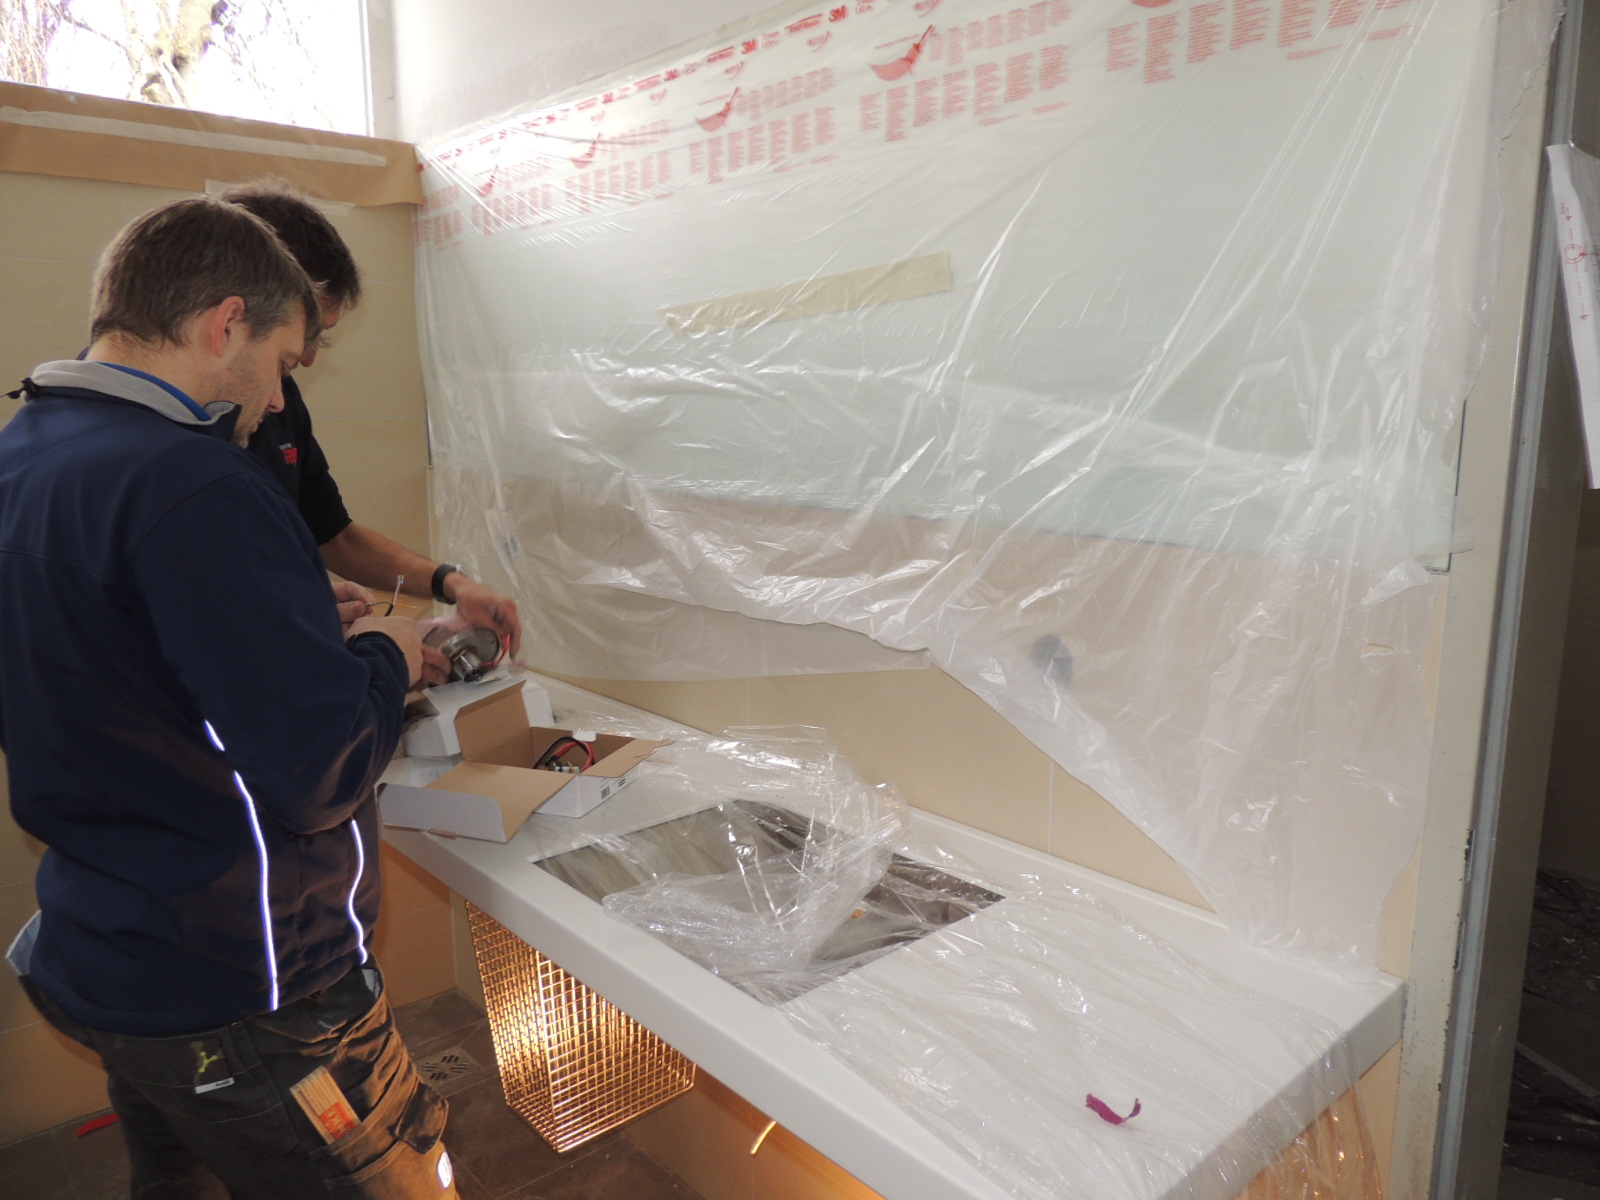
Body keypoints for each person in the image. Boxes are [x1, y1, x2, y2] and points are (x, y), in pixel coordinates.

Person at [0, 196, 457, 1198]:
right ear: (225, 324)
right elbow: (321, 772)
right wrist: (387, 653)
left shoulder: (26, 454)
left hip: (114, 953)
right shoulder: (197, 483)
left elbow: (106, 661)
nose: (279, 400)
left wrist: (280, 618)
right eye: (284, 362)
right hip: (253, 994)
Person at [219, 180, 522, 658]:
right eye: (304, 334)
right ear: (232, 315)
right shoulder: (170, 445)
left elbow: (334, 535)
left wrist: (452, 583)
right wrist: (377, 656)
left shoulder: (281, 399)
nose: (308, 358)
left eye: (321, 337)